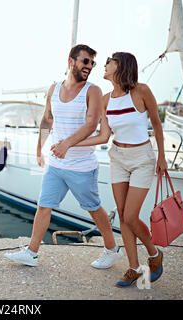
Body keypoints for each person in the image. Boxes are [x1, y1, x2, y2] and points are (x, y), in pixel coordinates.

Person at [4, 44, 122, 269]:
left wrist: (67, 144)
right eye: (85, 61)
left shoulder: (93, 90)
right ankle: (32, 252)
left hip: (82, 166)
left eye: (92, 63)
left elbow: (91, 125)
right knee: (44, 205)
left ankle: (112, 249)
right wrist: (40, 147)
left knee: (94, 208)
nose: (89, 67)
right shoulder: (54, 88)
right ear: (71, 61)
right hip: (56, 163)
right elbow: (47, 119)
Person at [69, 52, 167, 287]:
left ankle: (154, 255)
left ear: (121, 66)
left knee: (131, 216)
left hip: (142, 158)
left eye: (109, 61)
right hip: (117, 157)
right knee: (122, 215)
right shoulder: (105, 99)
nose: (103, 64)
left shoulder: (141, 91)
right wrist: (72, 142)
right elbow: (104, 135)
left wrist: (162, 156)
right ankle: (133, 268)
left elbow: (156, 122)